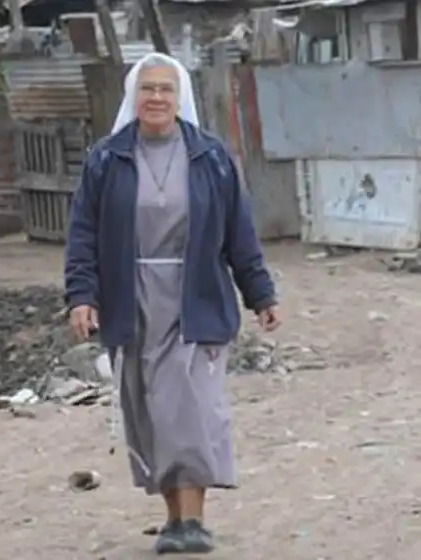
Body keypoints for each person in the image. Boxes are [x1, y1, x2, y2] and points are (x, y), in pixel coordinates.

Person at [64, 53, 281, 555]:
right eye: (147, 89)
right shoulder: (106, 159)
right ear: (132, 97)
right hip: (132, 300)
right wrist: (81, 295)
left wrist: (261, 293)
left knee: (190, 408)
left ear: (180, 96)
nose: (157, 98)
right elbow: (83, 236)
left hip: (196, 298)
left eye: (166, 89)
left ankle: (195, 520)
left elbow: (239, 235)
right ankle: (173, 519)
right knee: (150, 412)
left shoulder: (211, 158)